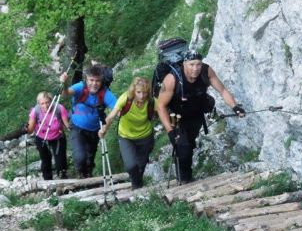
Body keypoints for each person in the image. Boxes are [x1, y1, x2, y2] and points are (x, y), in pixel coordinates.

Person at [157, 50, 245, 183]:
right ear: (185, 64)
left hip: (196, 114)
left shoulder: (206, 71)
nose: (196, 68)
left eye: (198, 64)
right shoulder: (171, 79)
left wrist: (235, 106)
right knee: (183, 147)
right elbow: (160, 105)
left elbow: (222, 90)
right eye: (192, 64)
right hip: (176, 116)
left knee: (189, 145)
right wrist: (170, 130)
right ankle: (185, 180)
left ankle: (186, 175)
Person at [60, 65, 117, 178]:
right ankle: (82, 175)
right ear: (86, 79)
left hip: (95, 130)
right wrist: (64, 83)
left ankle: (88, 177)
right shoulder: (81, 87)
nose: (94, 83)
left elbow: (117, 108)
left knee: (90, 158)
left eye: (98, 81)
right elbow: (65, 93)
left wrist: (106, 124)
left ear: (102, 81)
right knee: (80, 157)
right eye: (91, 80)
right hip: (77, 127)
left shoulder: (104, 92)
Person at [99, 77, 156, 189]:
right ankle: (138, 187)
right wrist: (104, 129)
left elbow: (162, 110)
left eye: (145, 92)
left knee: (141, 165)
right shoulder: (125, 99)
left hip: (145, 137)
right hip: (126, 136)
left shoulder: (151, 101)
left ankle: (137, 188)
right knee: (131, 165)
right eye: (138, 92)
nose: (141, 96)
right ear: (133, 91)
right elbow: (111, 116)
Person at [27, 91, 70, 180]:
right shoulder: (36, 111)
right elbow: (30, 130)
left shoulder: (59, 108)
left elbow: (67, 124)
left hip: (58, 137)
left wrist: (70, 129)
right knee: (45, 160)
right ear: (38, 103)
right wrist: (25, 129)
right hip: (41, 138)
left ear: (51, 101)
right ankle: (48, 181)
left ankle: (63, 179)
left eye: (47, 102)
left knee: (60, 160)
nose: (45, 105)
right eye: (42, 103)